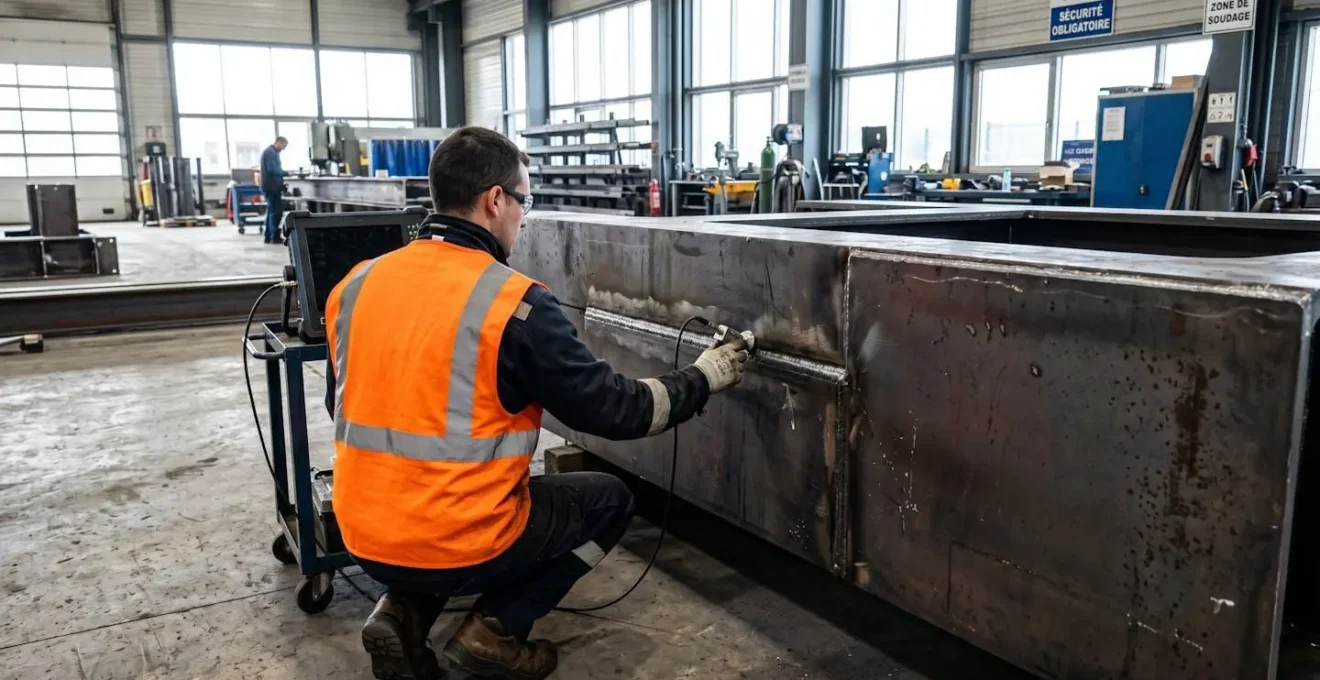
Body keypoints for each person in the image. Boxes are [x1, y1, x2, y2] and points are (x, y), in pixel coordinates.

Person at [323, 126, 751, 680]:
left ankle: (401, 611)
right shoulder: (514, 304)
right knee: (608, 502)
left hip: (361, 531)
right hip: (458, 536)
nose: (524, 218)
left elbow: (355, 401)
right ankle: (492, 633)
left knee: (431, 510)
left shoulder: (355, 285)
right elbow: (620, 411)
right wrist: (704, 376)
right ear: (495, 200)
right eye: (524, 201)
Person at [259, 136, 288, 245]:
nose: (284, 148)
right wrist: (285, 173)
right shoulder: (271, 153)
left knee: (271, 211)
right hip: (271, 187)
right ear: (279, 143)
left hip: (270, 186)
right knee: (275, 212)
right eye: (284, 146)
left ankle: (268, 236)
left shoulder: (270, 152)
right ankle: (274, 237)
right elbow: (272, 169)